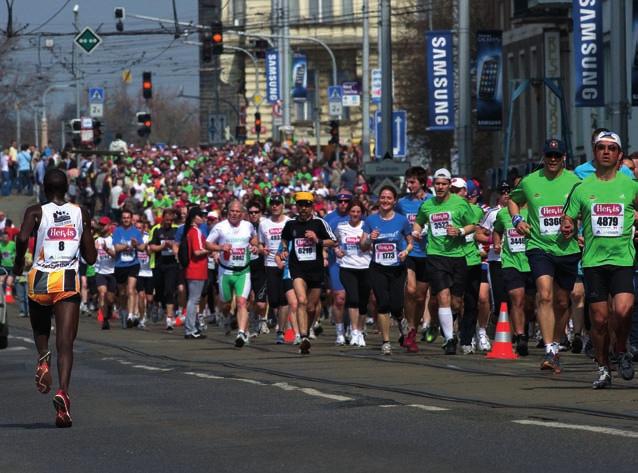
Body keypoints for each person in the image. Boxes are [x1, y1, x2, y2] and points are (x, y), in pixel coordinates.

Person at [12, 168, 97, 428]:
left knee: (41, 330)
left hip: (40, 278)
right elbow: (90, 256)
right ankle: (63, 392)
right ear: (67, 187)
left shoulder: (35, 211)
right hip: (66, 279)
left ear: (45, 188)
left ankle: (42, 359)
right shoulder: (80, 212)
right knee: (65, 343)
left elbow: (23, 237)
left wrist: (18, 264)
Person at [562, 130, 637, 388]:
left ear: (619, 155)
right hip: (593, 262)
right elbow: (568, 217)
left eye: (611, 148)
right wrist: (568, 227)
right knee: (600, 320)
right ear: (595, 153)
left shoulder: (631, 186)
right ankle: (604, 367)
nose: (606, 151)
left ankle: (621, 350)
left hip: (623, 259)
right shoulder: (582, 188)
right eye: (601, 147)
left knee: (624, 309)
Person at [508, 138, 581, 373]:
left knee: (562, 301)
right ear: (543, 157)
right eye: (549, 156)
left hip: (567, 249)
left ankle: (557, 344)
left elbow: (585, 208)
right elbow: (513, 200)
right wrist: (517, 220)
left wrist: (576, 227)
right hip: (539, 247)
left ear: (563, 158)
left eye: (557, 156)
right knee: (545, 295)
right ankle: (549, 348)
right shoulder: (530, 182)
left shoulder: (575, 181)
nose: (552, 160)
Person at [413, 169, 476, 355]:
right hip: (435, 255)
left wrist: (460, 232)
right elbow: (419, 222)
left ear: (449, 185)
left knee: (456, 302)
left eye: (443, 184)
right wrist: (416, 232)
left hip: (457, 256)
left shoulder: (460, 203)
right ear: (433, 185)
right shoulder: (427, 205)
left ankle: (448, 325)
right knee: (443, 297)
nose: (440, 187)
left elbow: (472, 224)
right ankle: (449, 339)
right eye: (437, 184)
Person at [279, 191, 337, 354]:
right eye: (301, 205)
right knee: (301, 301)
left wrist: (317, 240)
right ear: (296, 207)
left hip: (316, 270)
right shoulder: (291, 224)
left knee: (311, 307)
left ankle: (307, 329)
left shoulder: (320, 223)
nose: (304, 208)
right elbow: (284, 238)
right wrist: (284, 249)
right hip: (297, 268)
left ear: (312, 206)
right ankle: (303, 337)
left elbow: (334, 241)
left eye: (307, 205)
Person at [360, 185, 413, 355]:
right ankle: (386, 341)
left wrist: (406, 251)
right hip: (377, 268)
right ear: (378, 199)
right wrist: (369, 239)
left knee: (396, 305)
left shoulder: (401, 220)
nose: (385, 201)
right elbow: (362, 246)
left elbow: (411, 241)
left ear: (394, 201)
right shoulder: (371, 220)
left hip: (397, 268)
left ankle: (401, 320)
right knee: (383, 303)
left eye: (389, 198)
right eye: (382, 197)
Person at [206, 199, 259, 347]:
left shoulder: (248, 226)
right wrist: (220, 248)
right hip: (225, 271)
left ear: (242, 214)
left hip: (243, 271)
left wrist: (255, 246)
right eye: (232, 211)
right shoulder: (220, 227)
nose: (234, 214)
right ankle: (227, 317)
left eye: (237, 211)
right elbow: (207, 243)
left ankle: (241, 333)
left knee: (242, 302)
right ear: (227, 213)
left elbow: (254, 238)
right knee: (226, 304)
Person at [396, 167, 431, 353]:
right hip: (408, 252)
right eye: (407, 182)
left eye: (412, 182)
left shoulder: (432, 201)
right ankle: (409, 325)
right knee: (410, 290)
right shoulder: (402, 203)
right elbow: (395, 221)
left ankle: (413, 331)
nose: (409, 186)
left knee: (419, 296)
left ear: (422, 183)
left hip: (426, 253)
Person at [335, 199, 371, 347]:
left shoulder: (366, 226)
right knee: (353, 299)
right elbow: (335, 241)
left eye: (358, 212)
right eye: (352, 211)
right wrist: (337, 250)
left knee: (363, 302)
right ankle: (354, 331)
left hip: (366, 267)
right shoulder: (341, 227)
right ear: (348, 213)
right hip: (347, 267)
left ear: (361, 213)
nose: (355, 214)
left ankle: (360, 331)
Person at [258, 194, 290, 344]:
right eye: (273, 203)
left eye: (278, 203)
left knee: (284, 300)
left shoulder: (289, 222)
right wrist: (261, 249)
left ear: (283, 205)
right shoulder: (264, 223)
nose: (275, 206)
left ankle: (281, 330)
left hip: (286, 265)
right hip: (270, 264)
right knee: (275, 300)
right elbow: (259, 243)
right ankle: (280, 321)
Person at [323, 190, 353, 345]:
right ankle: (340, 332)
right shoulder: (329, 218)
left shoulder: (357, 215)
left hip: (356, 262)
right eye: (340, 201)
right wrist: (327, 252)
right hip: (336, 263)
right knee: (340, 298)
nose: (343, 204)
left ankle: (353, 329)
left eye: (346, 201)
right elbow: (322, 240)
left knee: (353, 297)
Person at [112, 209, 146, 328]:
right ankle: (124, 311)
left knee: (131, 290)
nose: (126, 219)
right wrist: (127, 245)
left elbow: (142, 247)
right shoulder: (117, 231)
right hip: (120, 265)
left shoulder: (136, 232)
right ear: (122, 219)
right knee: (122, 292)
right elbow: (116, 248)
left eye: (128, 217)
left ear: (131, 219)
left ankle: (131, 315)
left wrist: (136, 244)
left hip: (133, 264)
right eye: (124, 217)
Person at [148, 208, 180, 330]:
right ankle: (158, 305)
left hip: (172, 265)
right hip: (158, 264)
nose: (169, 222)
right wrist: (162, 246)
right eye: (167, 220)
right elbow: (151, 247)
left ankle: (169, 318)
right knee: (160, 290)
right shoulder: (156, 229)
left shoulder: (176, 229)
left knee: (170, 290)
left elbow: (180, 245)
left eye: (171, 220)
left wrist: (173, 245)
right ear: (163, 218)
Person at [182, 207, 209, 339]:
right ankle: (190, 329)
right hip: (196, 269)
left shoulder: (190, 231)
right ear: (194, 217)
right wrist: (210, 250)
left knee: (193, 299)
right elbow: (197, 251)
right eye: (201, 215)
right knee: (194, 300)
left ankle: (192, 327)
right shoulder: (195, 231)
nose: (203, 218)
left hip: (193, 269)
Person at [94, 216, 116, 330]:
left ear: (109, 226)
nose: (101, 227)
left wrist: (107, 250)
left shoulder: (113, 239)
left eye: (104, 225)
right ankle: (105, 319)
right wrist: (95, 250)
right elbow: (91, 258)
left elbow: (116, 256)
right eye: (100, 225)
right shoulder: (97, 240)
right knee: (102, 293)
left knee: (110, 299)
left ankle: (110, 309)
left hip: (112, 271)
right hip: (100, 271)